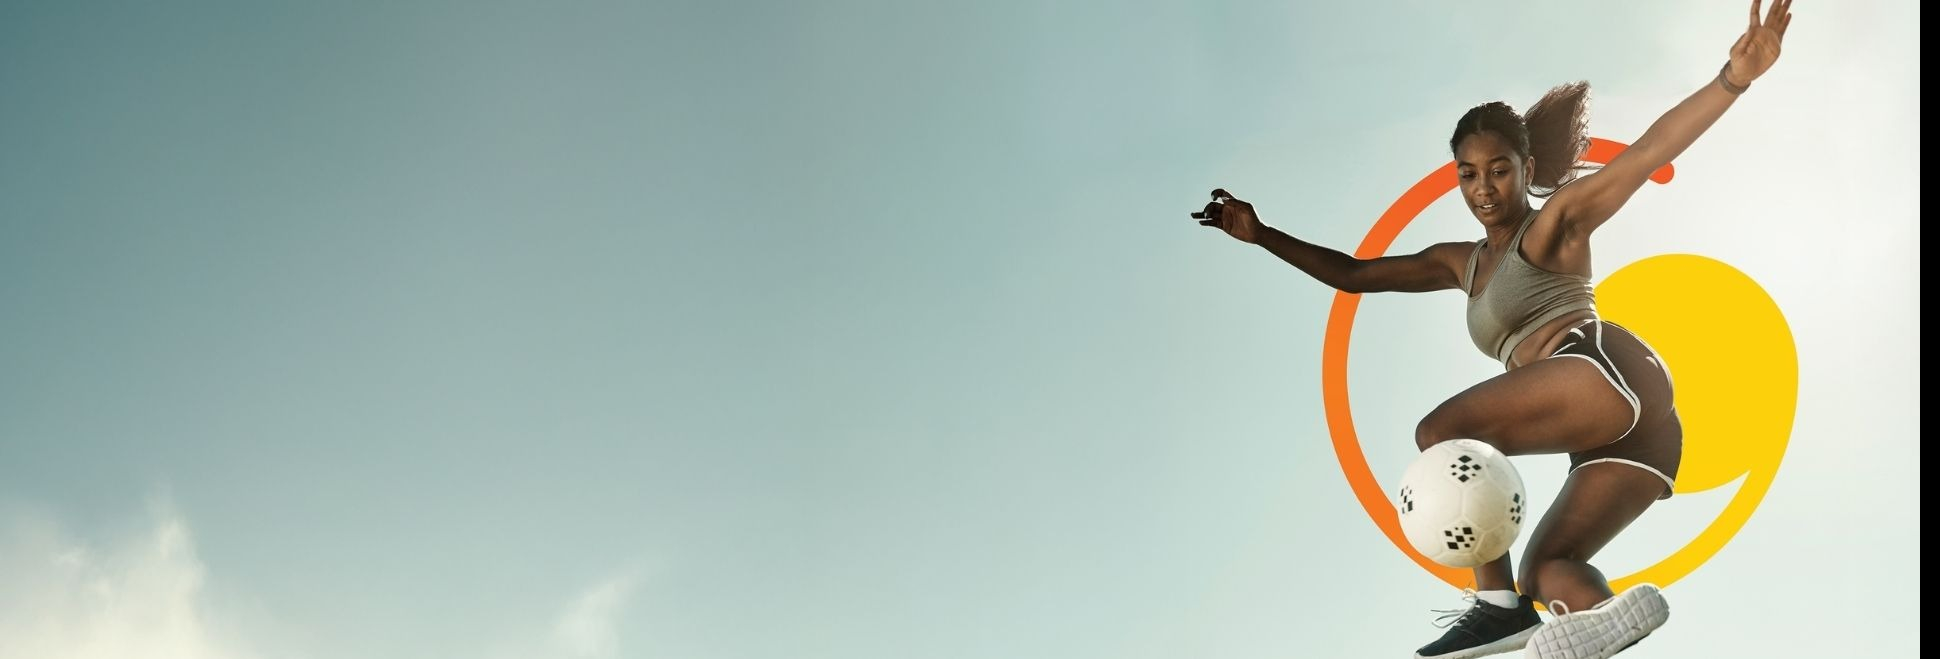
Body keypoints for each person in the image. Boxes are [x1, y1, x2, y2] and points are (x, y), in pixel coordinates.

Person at [1191, 1, 1791, 657]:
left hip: (1600, 369)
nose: (1483, 187)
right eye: (1468, 173)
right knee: (1547, 572)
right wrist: (1262, 234)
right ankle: (1612, 611)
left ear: (1526, 170)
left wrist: (1735, 78)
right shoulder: (1461, 261)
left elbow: (1647, 153)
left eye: (1499, 169)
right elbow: (1356, 274)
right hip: (1643, 434)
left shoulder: (1556, 220)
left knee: (1443, 433)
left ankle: (1495, 608)